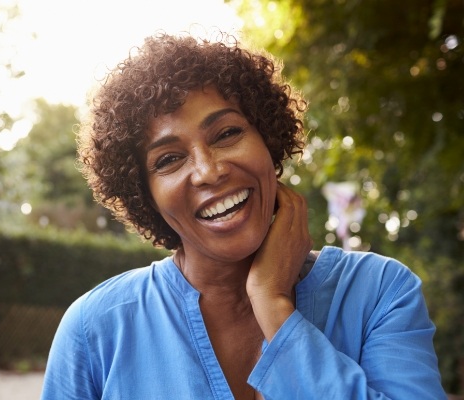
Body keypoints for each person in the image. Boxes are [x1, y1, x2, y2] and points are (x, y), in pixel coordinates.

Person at [41, 31, 446, 399]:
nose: (209, 170)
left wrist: (273, 305)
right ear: (145, 196)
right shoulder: (95, 330)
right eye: (168, 159)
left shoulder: (379, 292)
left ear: (268, 140)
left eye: (227, 134)